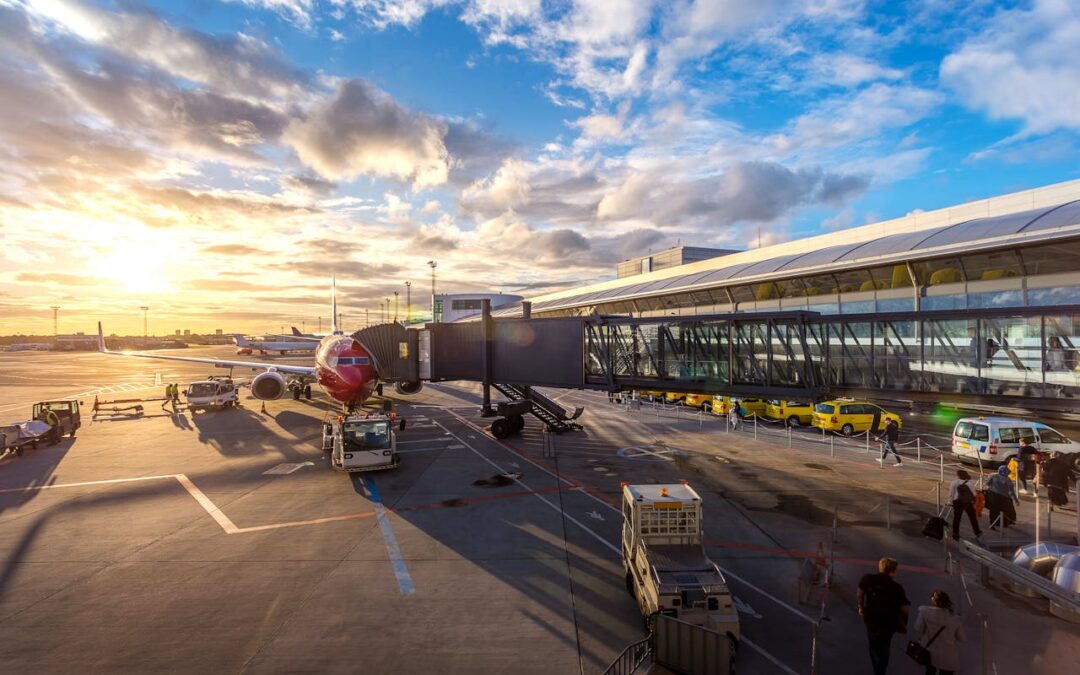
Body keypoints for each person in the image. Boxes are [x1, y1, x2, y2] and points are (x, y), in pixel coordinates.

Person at [857, 557, 911, 675]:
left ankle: (877, 669)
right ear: (893, 571)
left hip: (871, 620)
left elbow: (859, 594)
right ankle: (881, 669)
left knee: (873, 645)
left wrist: (861, 608)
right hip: (888, 624)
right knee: (885, 646)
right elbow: (905, 608)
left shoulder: (868, 578)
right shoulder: (897, 588)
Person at [912, 590, 965, 675]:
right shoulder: (955, 620)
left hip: (930, 653)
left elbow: (918, 628)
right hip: (948, 657)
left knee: (929, 671)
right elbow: (962, 638)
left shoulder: (924, 612)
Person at [949, 470, 983, 541]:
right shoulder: (969, 483)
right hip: (967, 502)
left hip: (957, 502)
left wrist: (950, 502)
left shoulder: (954, 482)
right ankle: (977, 532)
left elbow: (951, 493)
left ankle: (955, 534)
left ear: (958, 475)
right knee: (972, 517)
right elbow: (974, 494)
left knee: (957, 518)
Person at [985, 465, 1019, 529]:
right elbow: (1011, 492)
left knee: (993, 510)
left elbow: (987, 483)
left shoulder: (993, 476)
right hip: (1004, 497)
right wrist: (1016, 501)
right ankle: (1006, 522)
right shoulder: (1008, 480)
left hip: (992, 495)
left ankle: (992, 524)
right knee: (1006, 510)